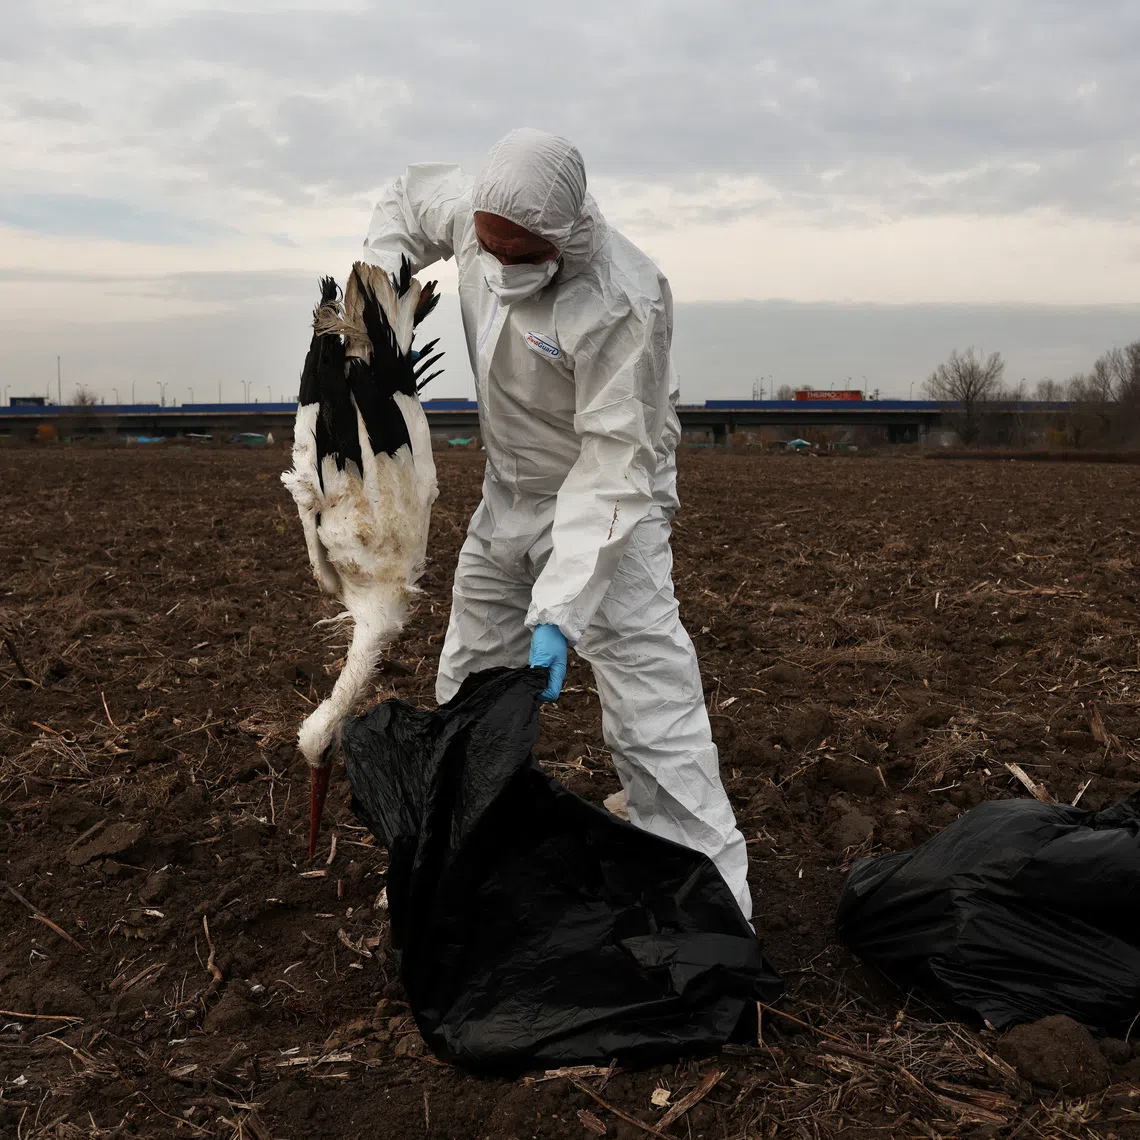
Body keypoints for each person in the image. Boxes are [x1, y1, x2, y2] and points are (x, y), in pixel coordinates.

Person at [361, 128, 752, 920]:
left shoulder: (621, 298)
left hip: (611, 505)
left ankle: (714, 904)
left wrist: (561, 610)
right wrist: (375, 304)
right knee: (469, 678)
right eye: (488, 248)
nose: (501, 266)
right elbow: (404, 201)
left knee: (652, 703)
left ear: (565, 235)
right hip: (507, 495)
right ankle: (467, 860)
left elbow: (614, 465)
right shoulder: (482, 218)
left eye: (521, 253)